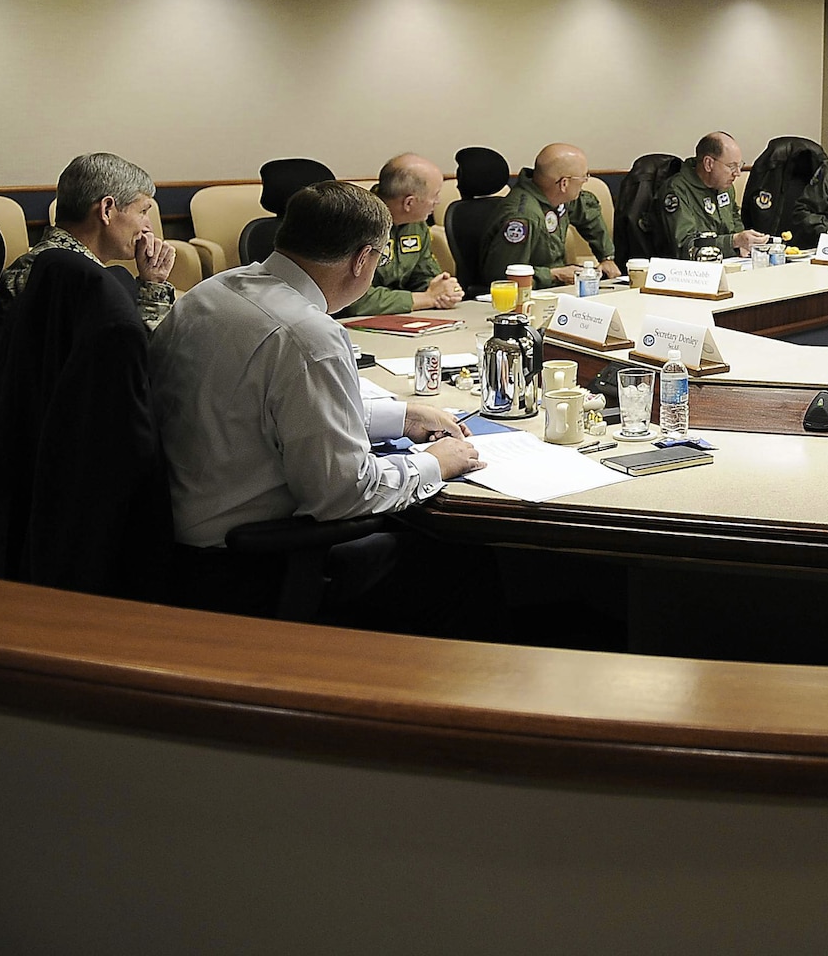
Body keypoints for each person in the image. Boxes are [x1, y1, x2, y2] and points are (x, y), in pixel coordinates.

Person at [151, 180, 485, 623]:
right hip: (248, 563)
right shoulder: (308, 334)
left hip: (170, 536)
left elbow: (270, 409)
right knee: (466, 559)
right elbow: (343, 493)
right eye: (380, 257)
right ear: (363, 260)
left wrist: (401, 417)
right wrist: (436, 464)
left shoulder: (213, 292)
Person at [0, 152, 177, 333]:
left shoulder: (47, 267)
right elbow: (141, 356)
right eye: (143, 212)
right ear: (106, 210)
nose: (148, 228)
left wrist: (152, 281)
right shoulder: (68, 280)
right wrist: (153, 293)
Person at [479, 142, 623, 288]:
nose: (585, 182)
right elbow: (503, 277)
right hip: (531, 295)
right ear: (564, 184)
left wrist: (607, 257)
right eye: (584, 177)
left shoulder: (556, 197)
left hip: (555, 289)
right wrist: (554, 274)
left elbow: (587, 213)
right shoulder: (523, 217)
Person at [341, 153, 464, 316]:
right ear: (409, 203)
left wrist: (444, 290)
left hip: (400, 320)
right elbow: (355, 301)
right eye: (434, 195)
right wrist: (427, 298)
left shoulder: (417, 225)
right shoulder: (356, 224)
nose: (438, 201)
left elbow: (424, 276)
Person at [663, 132, 761, 258]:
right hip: (691, 271)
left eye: (739, 165)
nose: (737, 173)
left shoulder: (725, 187)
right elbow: (685, 246)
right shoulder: (677, 190)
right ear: (708, 164)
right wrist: (733, 242)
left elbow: (736, 225)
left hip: (728, 263)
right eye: (731, 166)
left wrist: (744, 244)